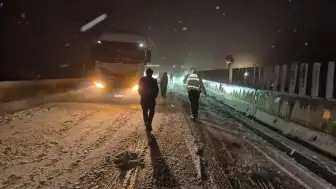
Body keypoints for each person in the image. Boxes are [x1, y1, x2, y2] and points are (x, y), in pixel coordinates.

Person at [138, 68, 159, 136]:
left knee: (145, 112)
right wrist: (154, 96)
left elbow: (139, 89)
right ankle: (149, 124)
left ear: (146, 73)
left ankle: (147, 123)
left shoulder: (142, 79)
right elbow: (156, 90)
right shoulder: (154, 80)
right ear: (151, 73)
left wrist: (142, 95)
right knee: (152, 112)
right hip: (151, 99)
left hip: (144, 99)